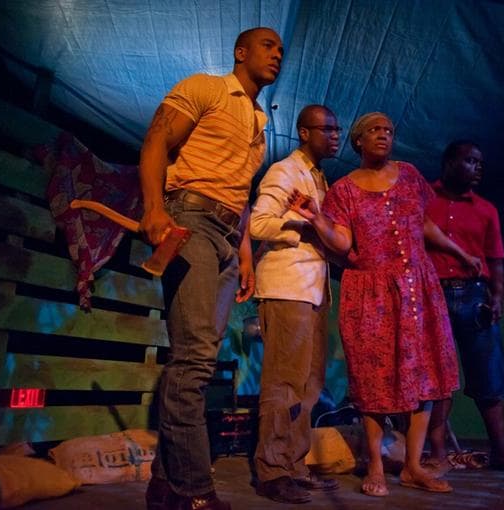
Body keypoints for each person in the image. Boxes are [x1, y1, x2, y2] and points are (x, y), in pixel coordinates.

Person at [288, 112, 481, 497]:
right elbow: (342, 242)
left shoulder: (409, 175)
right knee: (373, 376)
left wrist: (459, 251)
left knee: (425, 375)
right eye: (375, 130)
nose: (383, 136)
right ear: (358, 141)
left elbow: (423, 224)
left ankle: (413, 465)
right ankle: (375, 463)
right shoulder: (343, 190)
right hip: (370, 290)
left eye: (389, 131)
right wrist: (316, 220)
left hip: (417, 286)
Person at [139, 27, 284, 510]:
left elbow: (241, 193)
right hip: (190, 219)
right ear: (241, 52)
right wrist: (154, 207)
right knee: (195, 357)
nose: (277, 53)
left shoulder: (260, 121)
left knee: (203, 353)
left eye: (281, 49)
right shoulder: (206, 86)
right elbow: (157, 139)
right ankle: (195, 489)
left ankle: (164, 486)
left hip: (225, 235)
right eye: (268, 45)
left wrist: (244, 253)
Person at [425, 140, 504, 474]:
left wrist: (497, 297)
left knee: (489, 376)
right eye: (470, 161)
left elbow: (496, 258)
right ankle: (438, 454)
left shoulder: (487, 209)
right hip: (435, 295)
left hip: (475, 297)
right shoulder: (423, 199)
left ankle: (500, 451)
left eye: (480, 163)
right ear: (449, 162)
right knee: (439, 379)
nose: (478, 168)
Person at [249, 105, 341, 503]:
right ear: (305, 132)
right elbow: (257, 224)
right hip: (287, 287)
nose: (335, 136)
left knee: (309, 385)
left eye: (337, 130)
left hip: (313, 289)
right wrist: (302, 226)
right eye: (328, 129)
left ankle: (294, 465)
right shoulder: (284, 171)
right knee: (284, 384)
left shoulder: (319, 179)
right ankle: (271, 471)